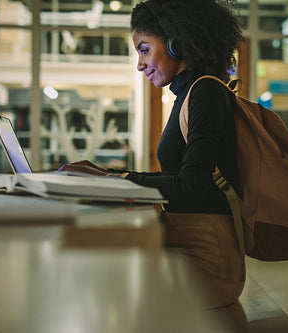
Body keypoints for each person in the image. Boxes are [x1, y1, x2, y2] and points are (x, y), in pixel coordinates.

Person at [60, 0, 246, 308]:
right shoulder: (190, 94)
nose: (139, 64)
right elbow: (181, 178)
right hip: (190, 252)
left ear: (176, 43)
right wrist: (108, 177)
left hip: (208, 265)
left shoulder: (206, 93)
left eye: (144, 49)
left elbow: (194, 185)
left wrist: (121, 180)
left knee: (90, 286)